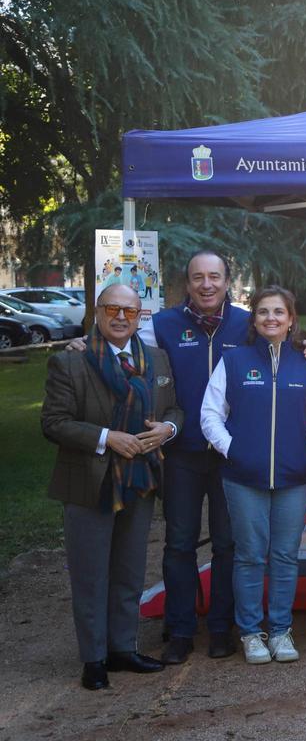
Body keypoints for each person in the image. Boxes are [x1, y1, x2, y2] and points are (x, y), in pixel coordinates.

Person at [66, 250, 306, 662]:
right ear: (187, 283)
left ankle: (222, 628)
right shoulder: (162, 324)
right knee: (179, 544)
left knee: (229, 545)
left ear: (226, 282)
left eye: (214, 276)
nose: (207, 284)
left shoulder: (247, 322)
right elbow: (123, 346)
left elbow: (284, 346)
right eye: (198, 277)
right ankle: (181, 630)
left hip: (233, 460)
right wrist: (86, 341)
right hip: (180, 452)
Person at [41, 284, 182, 690]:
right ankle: (94, 658)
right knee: (90, 574)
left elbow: (174, 408)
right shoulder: (71, 361)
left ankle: (123, 648)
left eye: (130, 311)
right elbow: (54, 423)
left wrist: (168, 428)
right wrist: (107, 438)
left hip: (139, 480)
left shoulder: (156, 359)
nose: (121, 317)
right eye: (112, 309)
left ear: (140, 316)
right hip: (90, 481)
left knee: (129, 570)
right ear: (98, 311)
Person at [200, 286, 306, 665]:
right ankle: (251, 632)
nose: (271, 318)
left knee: (285, 556)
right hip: (243, 477)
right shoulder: (234, 360)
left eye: (279, 312)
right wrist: (233, 449)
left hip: (294, 478)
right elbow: (210, 414)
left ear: (291, 319)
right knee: (250, 556)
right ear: (254, 319)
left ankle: (281, 630)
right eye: (263, 311)